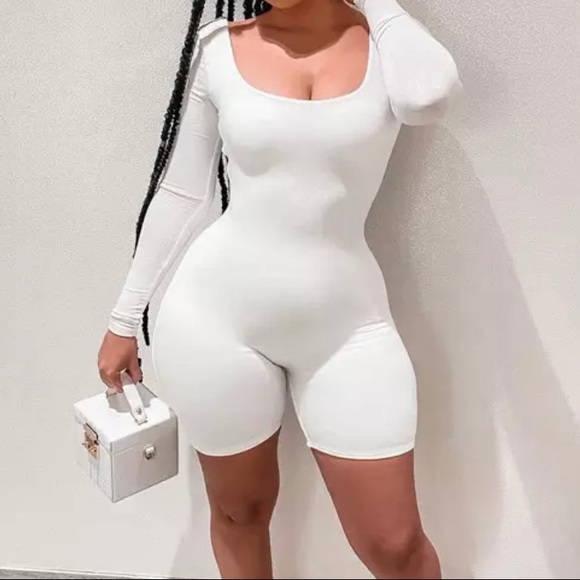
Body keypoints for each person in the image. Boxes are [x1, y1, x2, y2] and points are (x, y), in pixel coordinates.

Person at [97, 0, 461, 577]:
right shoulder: (220, 48)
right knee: (239, 512)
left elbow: (428, 99)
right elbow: (182, 192)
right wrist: (123, 319)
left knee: (396, 545)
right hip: (214, 320)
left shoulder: (389, 46)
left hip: (347, 328)